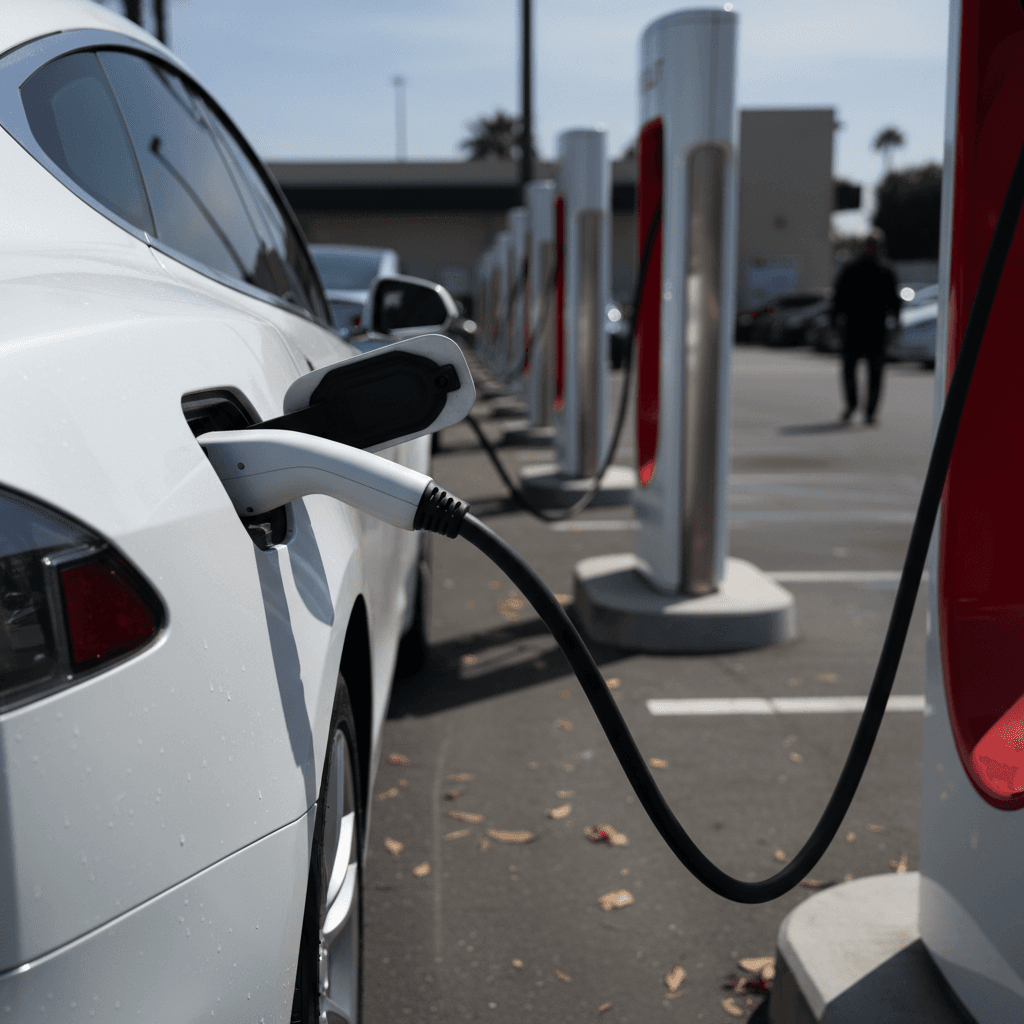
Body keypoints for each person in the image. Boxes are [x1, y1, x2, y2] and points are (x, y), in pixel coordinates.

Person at [831, 235, 901, 425]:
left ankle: (870, 411)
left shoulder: (886, 271)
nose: (872, 249)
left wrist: (896, 321)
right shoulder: (851, 269)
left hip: (876, 329)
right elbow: (838, 297)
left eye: (875, 246)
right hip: (853, 328)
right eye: (869, 246)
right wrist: (834, 322)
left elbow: (895, 301)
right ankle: (851, 405)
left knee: (875, 372)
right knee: (848, 370)